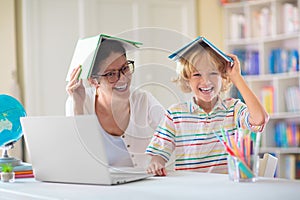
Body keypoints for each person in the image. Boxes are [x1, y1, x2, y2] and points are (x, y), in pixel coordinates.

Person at [145, 42, 269, 176]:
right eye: (197, 75)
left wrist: (237, 78)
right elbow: (158, 155)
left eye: (213, 73)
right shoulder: (175, 114)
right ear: (187, 79)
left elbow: (259, 119)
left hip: (226, 189)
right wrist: (156, 163)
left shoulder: (233, 109)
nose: (206, 82)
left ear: (223, 77)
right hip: (191, 190)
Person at [66, 38, 165, 169]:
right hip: (98, 186)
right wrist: (77, 106)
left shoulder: (143, 100)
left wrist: (158, 158)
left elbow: (171, 131)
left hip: (141, 183)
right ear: (93, 81)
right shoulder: (79, 101)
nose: (123, 78)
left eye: (125, 68)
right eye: (111, 74)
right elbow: (77, 156)